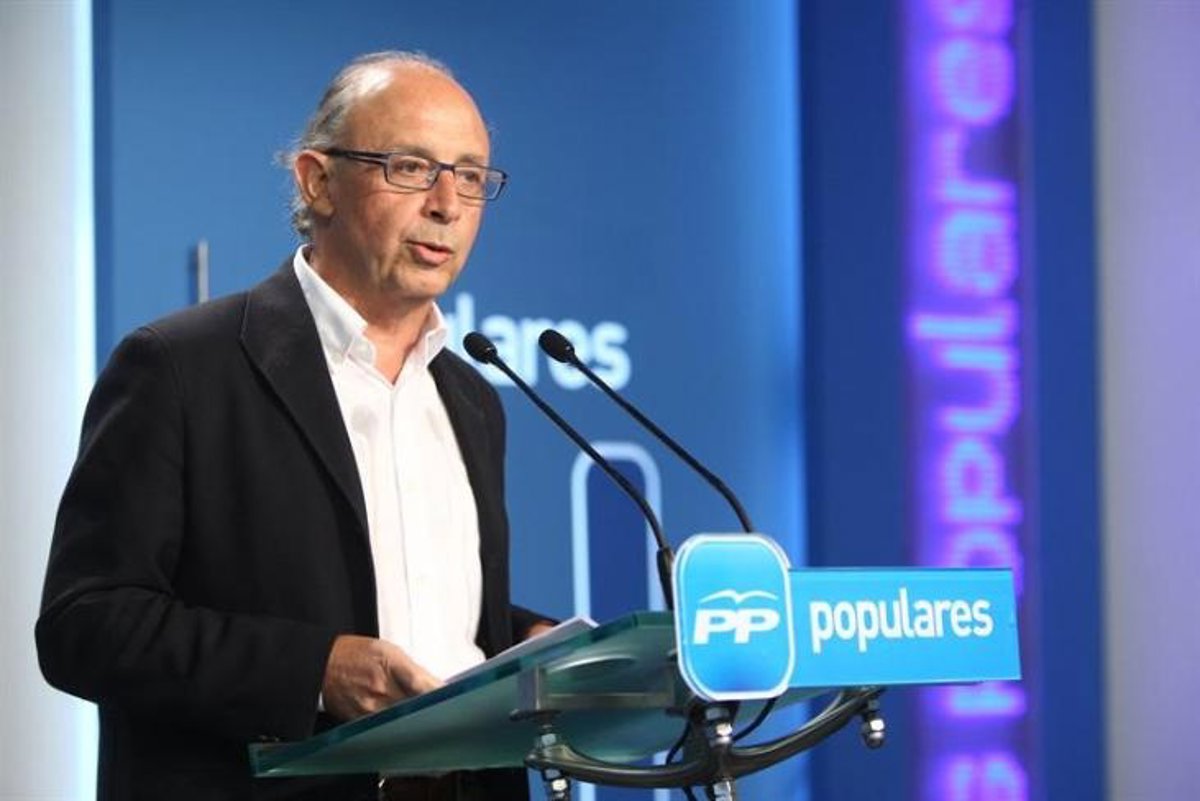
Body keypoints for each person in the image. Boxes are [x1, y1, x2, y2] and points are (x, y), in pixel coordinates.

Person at [36, 51, 549, 801]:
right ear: (317, 181)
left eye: (470, 176)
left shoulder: (471, 397)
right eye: (411, 167)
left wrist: (529, 645)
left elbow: (409, 604)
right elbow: (86, 625)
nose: (447, 204)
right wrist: (313, 670)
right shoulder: (180, 367)